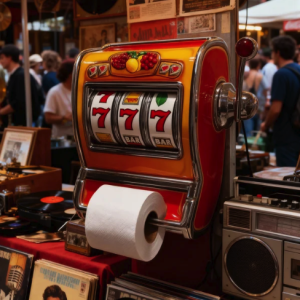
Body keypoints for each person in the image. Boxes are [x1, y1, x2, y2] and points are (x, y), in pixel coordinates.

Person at [261, 36, 300, 167]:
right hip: (297, 131)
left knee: (286, 177)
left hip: (285, 135)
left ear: (277, 53)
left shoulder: (281, 74)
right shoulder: (298, 69)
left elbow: (276, 109)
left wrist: (266, 125)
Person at [0, 45, 41, 127]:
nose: (1, 61)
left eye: (2, 58)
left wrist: (1, 112)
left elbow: (18, 102)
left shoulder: (20, 75)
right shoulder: (16, 74)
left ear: (10, 58)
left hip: (21, 124)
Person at [44, 59, 74, 138]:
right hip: (62, 138)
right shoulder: (54, 92)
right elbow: (48, 118)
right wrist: (64, 118)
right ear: (70, 74)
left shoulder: (81, 90)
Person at [243, 58, 268, 136]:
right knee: (257, 132)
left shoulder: (245, 75)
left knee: (247, 133)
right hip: (258, 106)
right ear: (258, 65)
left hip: (245, 106)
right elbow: (266, 89)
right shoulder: (259, 76)